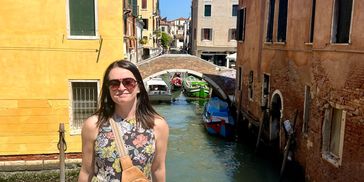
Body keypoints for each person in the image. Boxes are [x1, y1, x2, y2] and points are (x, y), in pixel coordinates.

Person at [78, 60, 169, 182]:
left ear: (139, 87)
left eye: (128, 82)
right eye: (114, 83)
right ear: (108, 88)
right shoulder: (93, 125)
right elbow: (86, 171)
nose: (121, 88)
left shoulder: (157, 125)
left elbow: (158, 169)